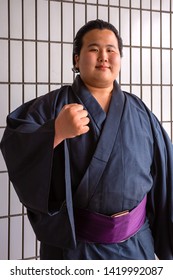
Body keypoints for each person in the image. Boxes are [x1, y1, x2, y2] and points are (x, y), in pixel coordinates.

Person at [0, 19, 173, 260]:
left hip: (135, 246)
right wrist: (55, 132)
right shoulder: (53, 106)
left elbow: (166, 172)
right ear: (76, 60)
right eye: (93, 49)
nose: (104, 56)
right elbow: (15, 143)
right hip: (74, 249)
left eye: (111, 50)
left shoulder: (140, 111)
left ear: (120, 59)